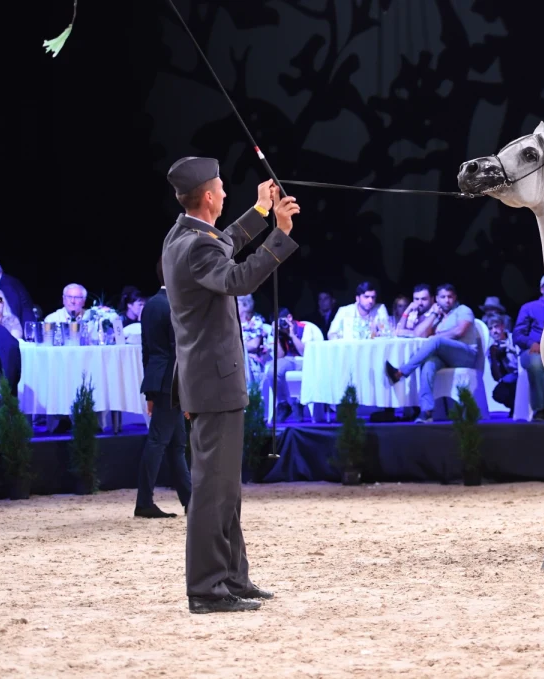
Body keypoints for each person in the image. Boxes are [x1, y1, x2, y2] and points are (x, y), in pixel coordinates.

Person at [162, 156, 300, 614]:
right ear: (207, 197)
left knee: (226, 490)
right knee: (212, 492)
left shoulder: (183, 235)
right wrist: (280, 233)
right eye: (221, 189)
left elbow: (223, 243)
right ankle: (206, 589)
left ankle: (233, 578)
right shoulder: (196, 247)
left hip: (208, 382)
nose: (225, 194)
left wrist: (260, 213)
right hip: (214, 385)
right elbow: (237, 277)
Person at [135, 259, 192, 519]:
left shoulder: (150, 305)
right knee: (159, 441)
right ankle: (144, 502)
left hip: (160, 380)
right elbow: (180, 352)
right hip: (172, 382)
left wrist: (150, 392)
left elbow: (147, 350)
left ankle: (190, 501)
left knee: (176, 444)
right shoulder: (174, 304)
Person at [385, 283, 478, 423]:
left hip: (466, 355)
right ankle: (426, 411)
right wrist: (432, 315)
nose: (447, 300)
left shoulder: (463, 310)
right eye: (443, 297)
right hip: (446, 358)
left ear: (455, 298)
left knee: (436, 341)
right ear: (437, 300)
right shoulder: (438, 317)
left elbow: (460, 331)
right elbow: (419, 334)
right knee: (428, 364)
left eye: (450, 297)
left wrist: (437, 337)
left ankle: (401, 372)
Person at [513, 275, 544, 419]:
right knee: (536, 363)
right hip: (535, 351)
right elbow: (517, 335)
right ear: (542, 289)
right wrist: (531, 343)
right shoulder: (529, 308)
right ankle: (540, 409)